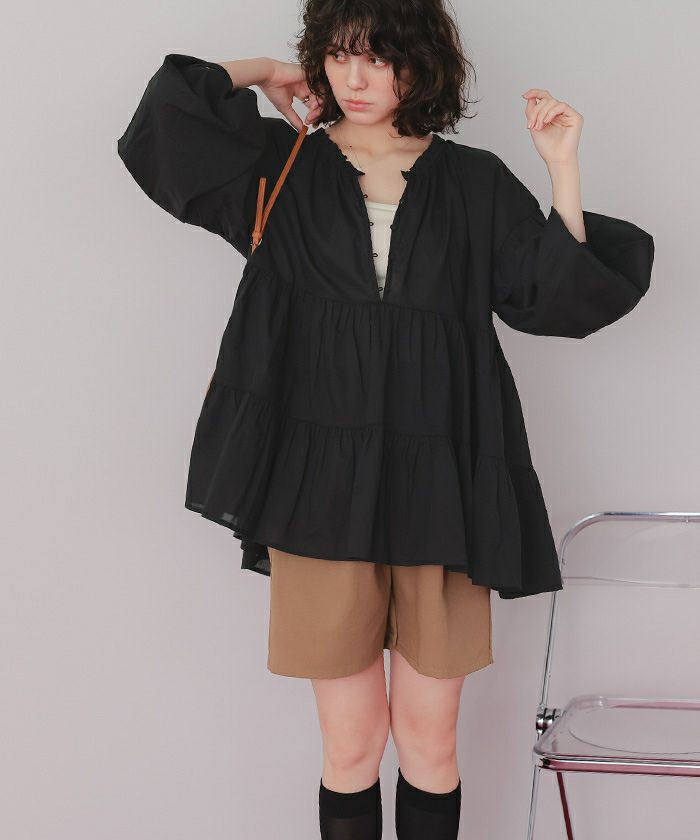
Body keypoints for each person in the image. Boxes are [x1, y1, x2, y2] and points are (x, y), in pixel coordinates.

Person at [116, 1, 655, 836]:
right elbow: (164, 118)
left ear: (419, 65)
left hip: (442, 486)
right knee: (351, 745)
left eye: (378, 58)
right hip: (317, 491)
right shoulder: (280, 165)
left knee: (430, 743)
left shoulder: (473, 182)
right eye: (338, 56)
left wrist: (563, 171)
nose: (355, 78)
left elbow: (554, 299)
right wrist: (267, 70)